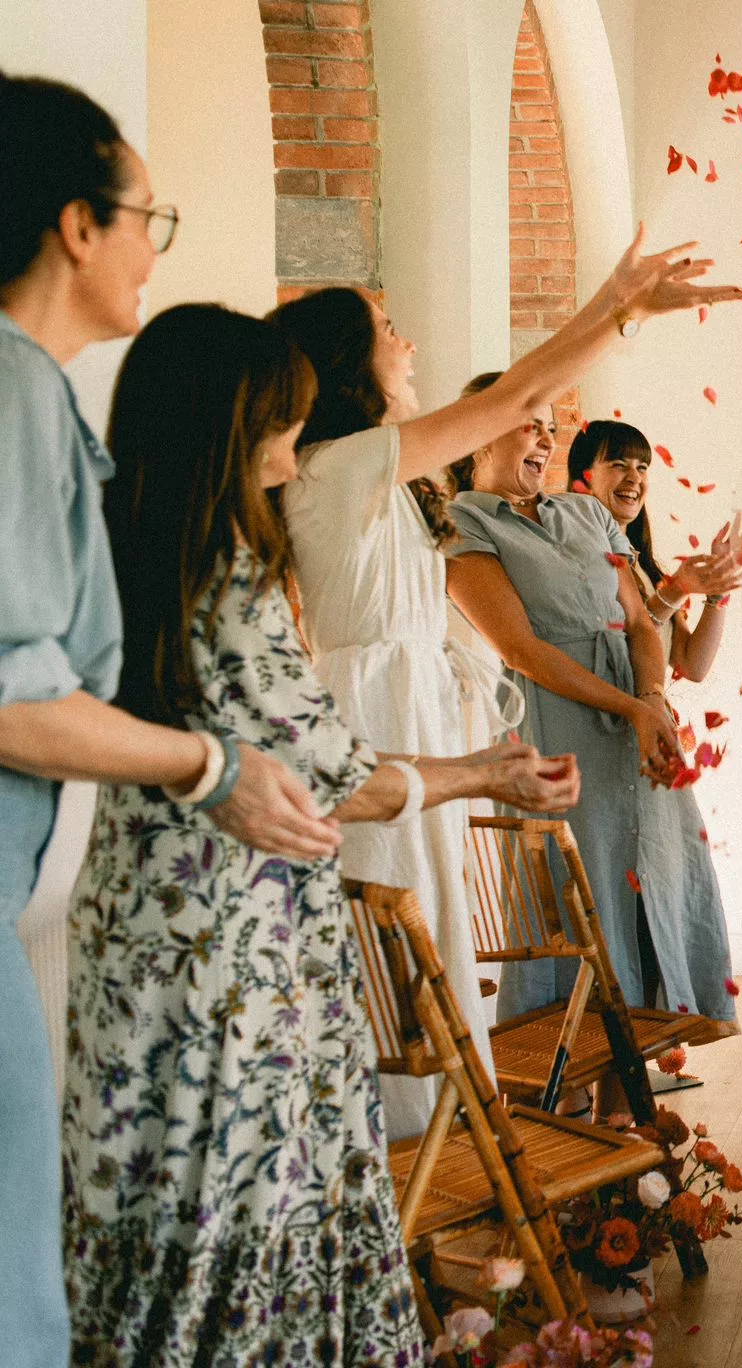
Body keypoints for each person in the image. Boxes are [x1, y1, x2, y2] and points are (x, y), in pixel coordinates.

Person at [64, 303, 580, 1365]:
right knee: (240, 1213)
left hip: (154, 944)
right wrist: (477, 772)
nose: (295, 451)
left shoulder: (133, 549)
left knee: (165, 1214)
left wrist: (477, 766)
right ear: (232, 423)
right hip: (231, 958)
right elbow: (329, 783)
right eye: (280, 423)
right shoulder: (225, 578)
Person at [0, 72, 342, 1364]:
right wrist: (212, 767)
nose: (156, 246)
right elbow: (15, 699)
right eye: (149, 215)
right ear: (76, 223)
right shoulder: (19, 389)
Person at [271, 236, 742, 1136]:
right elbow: (515, 398)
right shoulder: (339, 466)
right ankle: (416, 1171)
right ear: (345, 367)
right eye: (389, 332)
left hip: (422, 723)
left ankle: (449, 1175)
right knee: (401, 978)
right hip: (379, 725)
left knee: (436, 965)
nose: (408, 347)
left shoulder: (381, 483)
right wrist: (621, 306)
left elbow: (630, 614)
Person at [444, 400, 698, 1033]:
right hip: (554, 727)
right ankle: (561, 1101)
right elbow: (520, 650)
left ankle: (625, 1105)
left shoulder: (586, 511)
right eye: (530, 425)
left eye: (551, 431)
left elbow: (640, 622)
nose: (546, 441)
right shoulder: (459, 524)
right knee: (571, 901)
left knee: (641, 896)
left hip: (635, 724)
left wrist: (655, 703)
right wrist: (635, 707)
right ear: (479, 439)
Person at [566, 419, 742, 1032]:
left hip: (651, 752)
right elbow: (621, 632)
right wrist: (675, 589)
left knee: (653, 904)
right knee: (611, 906)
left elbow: (690, 664)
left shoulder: (639, 564)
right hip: (601, 743)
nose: (635, 477)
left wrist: (717, 594)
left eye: (643, 467)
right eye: (619, 464)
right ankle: (607, 1075)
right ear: (581, 475)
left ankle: (633, 1077)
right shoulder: (578, 548)